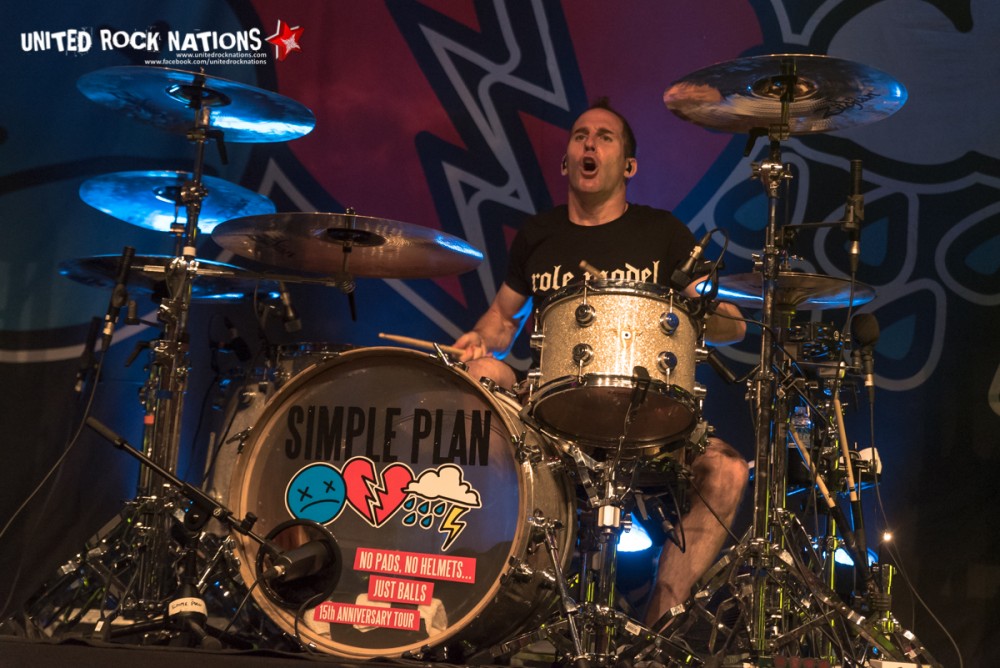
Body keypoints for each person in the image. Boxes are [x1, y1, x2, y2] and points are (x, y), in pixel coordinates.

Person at [453, 98, 749, 627]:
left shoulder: (662, 233)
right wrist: (479, 338)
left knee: (726, 470)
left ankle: (658, 625)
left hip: (646, 419)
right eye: (580, 135)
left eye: (605, 137)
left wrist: (705, 309)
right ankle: (488, 605)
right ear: (565, 161)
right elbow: (502, 319)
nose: (589, 143)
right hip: (549, 414)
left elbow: (732, 325)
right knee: (478, 376)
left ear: (628, 166)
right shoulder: (539, 235)